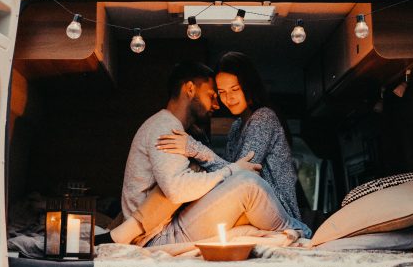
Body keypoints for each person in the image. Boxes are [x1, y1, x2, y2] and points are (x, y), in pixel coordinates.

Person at [109, 60, 308, 247]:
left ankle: (292, 231)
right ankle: (300, 231)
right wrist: (229, 169)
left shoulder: (261, 118)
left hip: (165, 227)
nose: (218, 103)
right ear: (190, 89)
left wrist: (200, 152)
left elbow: (237, 175)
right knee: (248, 185)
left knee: (245, 204)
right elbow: (179, 188)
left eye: (234, 89)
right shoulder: (166, 128)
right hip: (157, 234)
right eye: (215, 94)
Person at [157, 51, 310, 236]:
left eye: (235, 89)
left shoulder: (264, 118)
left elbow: (243, 176)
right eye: (222, 92)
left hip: (279, 209)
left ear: (248, 86)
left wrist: (194, 149)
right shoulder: (236, 127)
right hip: (251, 206)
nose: (228, 98)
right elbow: (230, 175)